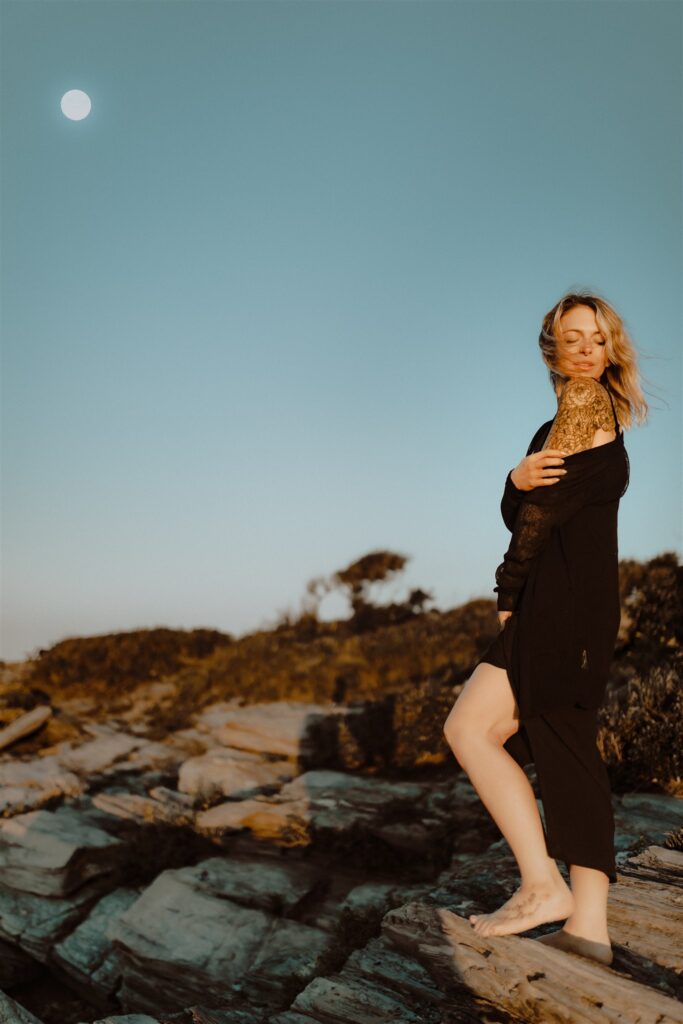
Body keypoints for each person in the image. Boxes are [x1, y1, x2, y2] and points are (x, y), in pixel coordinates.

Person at [442, 292, 648, 966]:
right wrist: (513, 478)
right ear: (551, 349)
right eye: (571, 338)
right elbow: (532, 502)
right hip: (569, 604)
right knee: (501, 733)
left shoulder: (584, 404)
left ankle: (554, 898)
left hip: (559, 606)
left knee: (522, 737)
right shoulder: (579, 413)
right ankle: (569, 913)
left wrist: (506, 591)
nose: (584, 349)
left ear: (609, 346)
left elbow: (536, 516)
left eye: (595, 337)